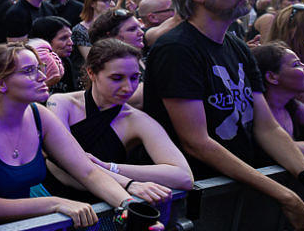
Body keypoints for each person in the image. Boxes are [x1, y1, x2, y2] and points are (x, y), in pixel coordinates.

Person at [145, 0, 304, 231]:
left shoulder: (237, 46)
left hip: (239, 189)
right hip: (196, 202)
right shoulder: (177, 50)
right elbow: (197, 142)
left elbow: (267, 127)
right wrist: (284, 195)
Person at [0, 43, 164, 231]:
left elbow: (88, 172)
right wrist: (56, 203)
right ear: (0, 84)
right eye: (29, 71)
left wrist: (129, 207)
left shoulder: (38, 114)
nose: (42, 77)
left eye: (39, 68)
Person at [46, 39, 193, 202]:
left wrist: (112, 167)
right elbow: (63, 158)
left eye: (134, 78)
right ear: (91, 73)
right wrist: (128, 183)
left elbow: (184, 177)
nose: (128, 87)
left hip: (101, 208)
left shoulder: (137, 120)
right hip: (49, 202)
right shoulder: (61, 103)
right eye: (117, 78)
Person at [252, 42, 304, 160]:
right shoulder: (258, 113)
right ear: (272, 77)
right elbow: (290, 147)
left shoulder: (291, 105)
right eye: (296, 65)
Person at [29, 16, 76, 93]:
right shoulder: (30, 67)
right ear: (45, 41)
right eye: (63, 38)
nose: (71, 43)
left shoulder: (65, 62)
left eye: (70, 37)